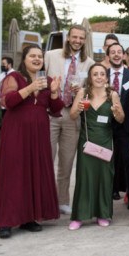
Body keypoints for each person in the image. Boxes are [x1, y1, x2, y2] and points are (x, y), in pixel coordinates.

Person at [0, 45, 62, 239]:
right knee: (14, 173)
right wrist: (30, 88)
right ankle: (5, 221)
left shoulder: (47, 80)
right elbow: (8, 101)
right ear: (24, 59)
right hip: (16, 133)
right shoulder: (14, 78)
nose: (37, 59)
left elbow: (55, 110)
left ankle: (29, 218)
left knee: (34, 173)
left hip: (39, 134)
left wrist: (55, 93)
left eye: (40, 56)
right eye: (33, 56)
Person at [44, 25, 95, 214]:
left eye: (81, 38)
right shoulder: (50, 55)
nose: (78, 41)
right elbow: (41, 81)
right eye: (75, 37)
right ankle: (44, 199)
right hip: (50, 113)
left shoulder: (88, 62)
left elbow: (90, 89)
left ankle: (62, 200)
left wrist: (81, 92)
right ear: (68, 38)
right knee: (46, 159)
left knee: (66, 161)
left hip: (72, 113)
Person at [68, 64, 125, 230]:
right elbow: (72, 116)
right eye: (95, 74)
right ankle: (79, 216)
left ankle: (103, 213)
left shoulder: (112, 94)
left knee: (104, 178)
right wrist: (77, 109)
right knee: (84, 178)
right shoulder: (82, 93)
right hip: (87, 141)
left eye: (102, 74)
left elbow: (121, 119)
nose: (99, 77)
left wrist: (117, 112)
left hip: (106, 141)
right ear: (90, 77)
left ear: (106, 77)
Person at [108, 43, 129, 213]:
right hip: (105, 126)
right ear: (107, 56)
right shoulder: (100, 74)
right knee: (106, 161)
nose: (116, 55)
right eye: (112, 52)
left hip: (127, 125)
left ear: (124, 55)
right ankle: (106, 194)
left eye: (119, 52)